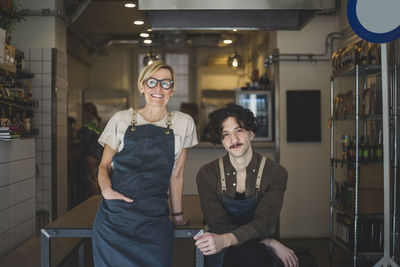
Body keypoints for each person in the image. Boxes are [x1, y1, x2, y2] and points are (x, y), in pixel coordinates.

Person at [92, 61, 198, 267]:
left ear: (172, 89)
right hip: (114, 219)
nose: (158, 88)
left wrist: (177, 215)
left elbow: (176, 175)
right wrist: (106, 190)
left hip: (154, 219)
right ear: (141, 86)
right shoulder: (120, 119)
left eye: (165, 83)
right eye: (152, 82)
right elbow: (104, 166)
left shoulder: (183, 123)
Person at [194, 104, 298, 267]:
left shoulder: (275, 173)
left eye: (238, 131)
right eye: (225, 134)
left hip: (253, 248)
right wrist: (269, 242)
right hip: (221, 248)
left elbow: (263, 223)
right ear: (220, 141)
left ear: (251, 133)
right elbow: (218, 225)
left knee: (252, 255)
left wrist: (228, 239)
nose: (233, 140)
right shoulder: (207, 174)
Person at [77, 103, 103, 201]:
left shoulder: (91, 123)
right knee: (94, 179)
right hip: (97, 154)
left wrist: (78, 132)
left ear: (88, 111)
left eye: (84, 111)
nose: (83, 114)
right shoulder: (95, 122)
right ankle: (96, 202)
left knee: (91, 181)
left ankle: (94, 203)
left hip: (90, 155)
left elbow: (86, 139)